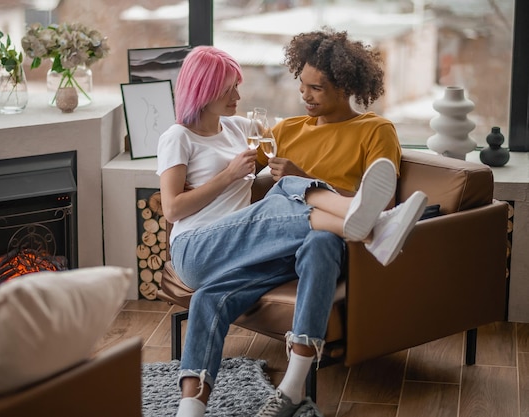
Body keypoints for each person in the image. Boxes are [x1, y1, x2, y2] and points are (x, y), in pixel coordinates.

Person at [156, 39, 427, 417]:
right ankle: (368, 229)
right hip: (254, 242)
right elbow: (199, 184)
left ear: (346, 87)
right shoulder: (286, 130)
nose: (305, 95)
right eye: (302, 85)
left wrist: (305, 177)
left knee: (314, 233)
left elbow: (381, 198)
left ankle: (293, 386)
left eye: (315, 88)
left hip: (320, 242)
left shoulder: (376, 129)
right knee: (282, 193)